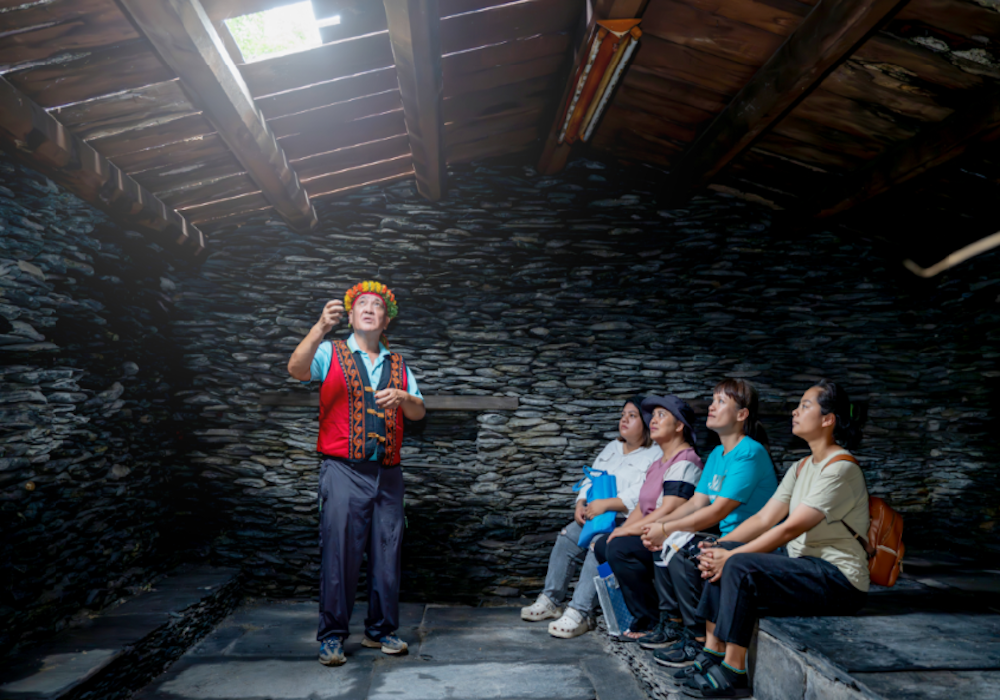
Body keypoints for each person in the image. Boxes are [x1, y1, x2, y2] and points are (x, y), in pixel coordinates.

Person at [678, 381, 868, 698]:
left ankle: (733, 670)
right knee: (722, 550)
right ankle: (712, 651)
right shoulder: (801, 466)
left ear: (827, 419)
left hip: (839, 580)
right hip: (805, 567)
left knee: (738, 564)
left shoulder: (841, 469)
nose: (795, 411)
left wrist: (731, 557)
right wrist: (720, 547)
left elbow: (788, 529)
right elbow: (764, 519)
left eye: (805, 405)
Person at [287, 281, 425, 667]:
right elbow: (296, 370)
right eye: (361, 303)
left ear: (386, 320)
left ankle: (380, 631)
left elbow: (418, 412)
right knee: (340, 554)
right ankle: (332, 636)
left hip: (389, 473)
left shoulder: (398, 364)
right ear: (350, 315)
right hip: (343, 470)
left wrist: (404, 398)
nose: (368, 308)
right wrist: (319, 328)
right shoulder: (329, 351)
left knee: (387, 553)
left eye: (376, 305)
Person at [629, 379, 776, 663]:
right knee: (669, 542)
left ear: (741, 414)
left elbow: (717, 512)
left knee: (685, 549)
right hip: (728, 537)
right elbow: (697, 502)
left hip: (755, 541)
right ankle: (678, 625)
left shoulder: (750, 453)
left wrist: (665, 527)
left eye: (721, 401)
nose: (712, 406)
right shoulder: (718, 455)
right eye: (713, 399)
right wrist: (659, 527)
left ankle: (698, 639)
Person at [521, 397, 662, 638]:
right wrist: (581, 502)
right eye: (622, 414)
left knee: (598, 544)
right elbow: (592, 477)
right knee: (566, 536)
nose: (624, 419)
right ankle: (552, 600)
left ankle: (580, 612)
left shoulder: (655, 453)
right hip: (595, 514)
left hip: (624, 519)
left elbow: (644, 492)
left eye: (632, 415)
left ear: (647, 423)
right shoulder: (612, 447)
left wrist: (606, 504)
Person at [595, 395, 704, 637]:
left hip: (672, 531)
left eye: (661, 415)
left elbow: (668, 510)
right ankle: (635, 611)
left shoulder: (685, 460)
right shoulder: (657, 464)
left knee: (620, 548)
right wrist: (621, 529)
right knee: (603, 545)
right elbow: (641, 507)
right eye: (652, 416)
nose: (653, 420)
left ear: (679, 426)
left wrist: (627, 531)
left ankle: (650, 620)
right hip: (650, 528)